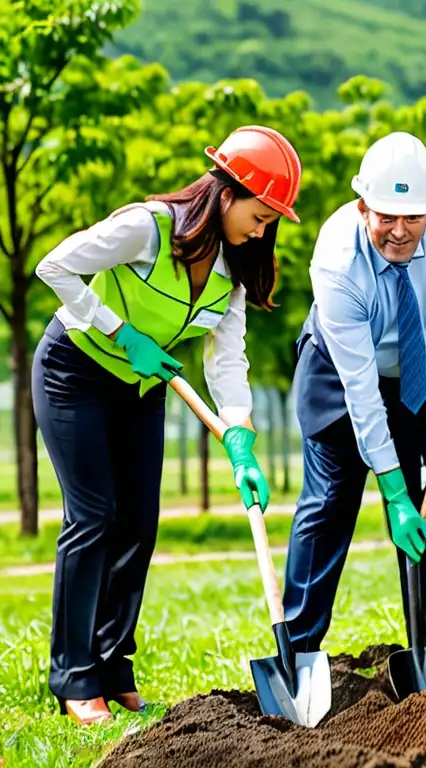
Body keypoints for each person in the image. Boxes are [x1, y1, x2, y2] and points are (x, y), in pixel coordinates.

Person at [32, 125, 300, 723]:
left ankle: (112, 666)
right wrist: (118, 331)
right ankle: (74, 677)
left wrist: (240, 437)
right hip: (74, 371)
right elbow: (56, 267)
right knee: (94, 516)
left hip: (142, 390)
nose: (263, 231)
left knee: (139, 526)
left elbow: (227, 360)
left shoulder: (234, 271)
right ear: (226, 192)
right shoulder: (147, 227)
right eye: (260, 216)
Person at [282, 131, 426, 658]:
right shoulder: (337, 262)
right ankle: (298, 651)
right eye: (387, 216)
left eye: (414, 217)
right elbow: (362, 394)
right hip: (344, 371)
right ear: (363, 206)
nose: (400, 232)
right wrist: (395, 495)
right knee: (328, 505)